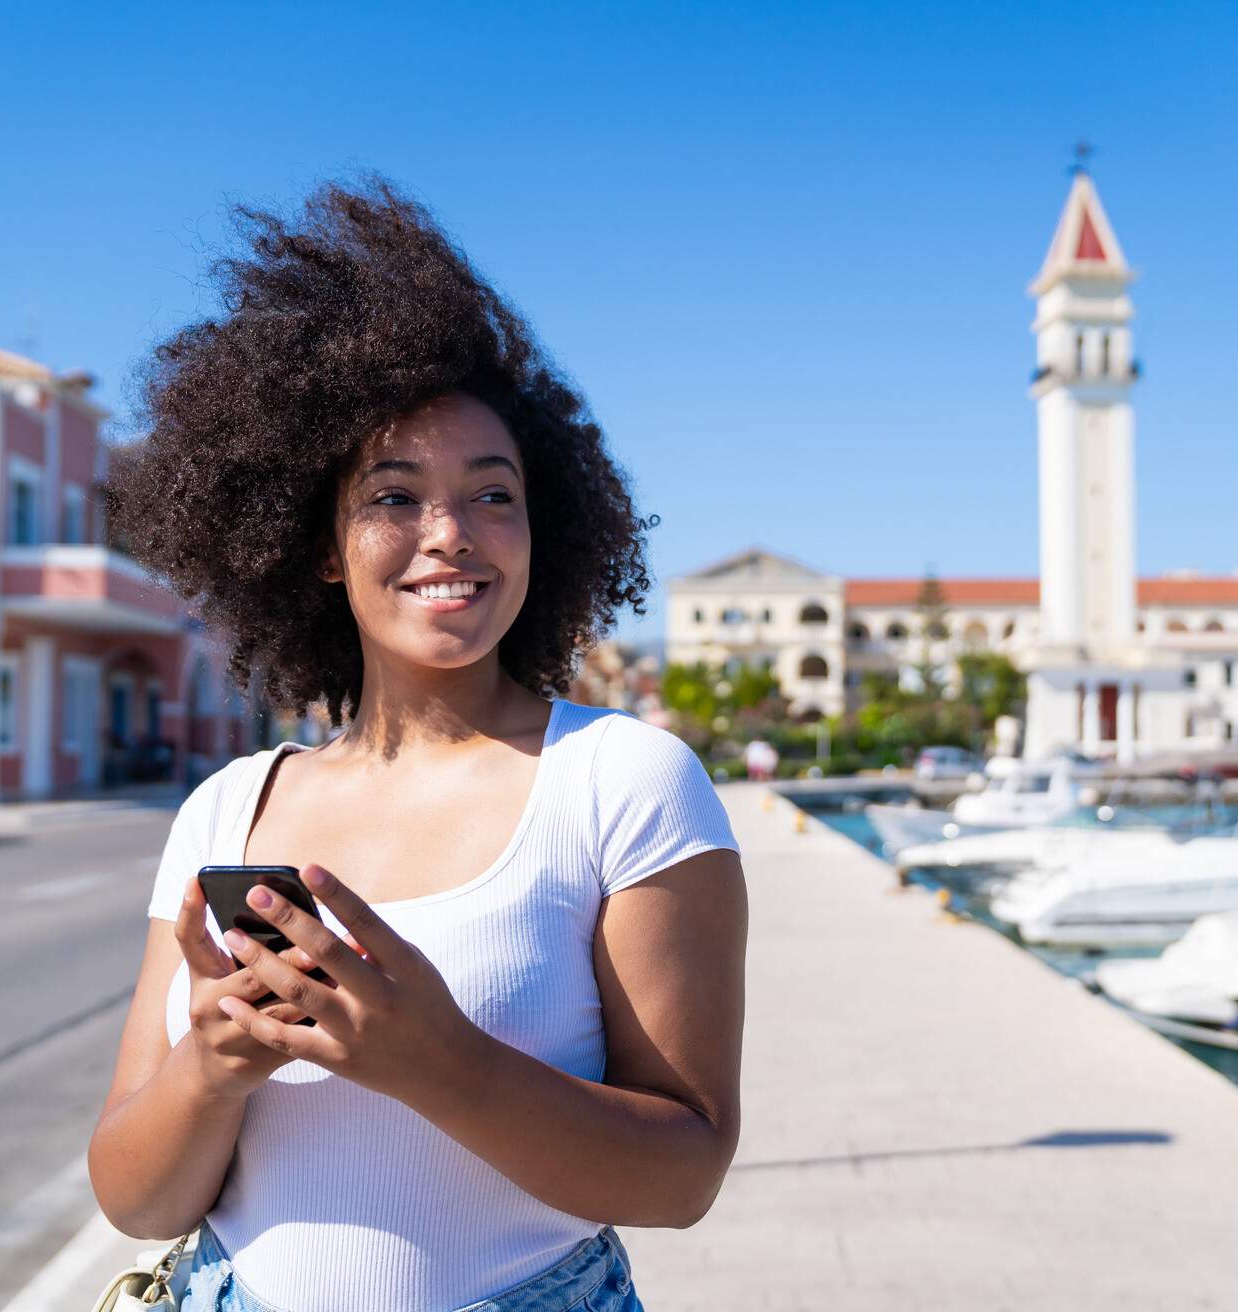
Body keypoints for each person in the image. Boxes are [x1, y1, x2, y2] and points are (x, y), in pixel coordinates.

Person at [87, 177, 748, 1312]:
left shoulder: (623, 781)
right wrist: (213, 1065)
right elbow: (138, 1201)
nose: (451, 534)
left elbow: (684, 1174)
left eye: (494, 494)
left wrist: (435, 1061)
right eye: (395, 495)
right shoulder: (225, 810)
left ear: (546, 527)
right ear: (322, 545)